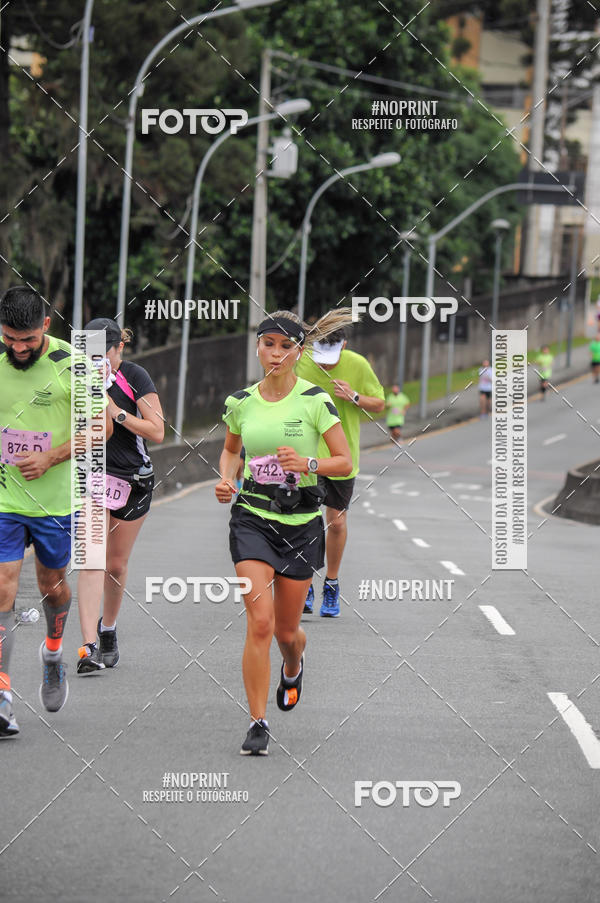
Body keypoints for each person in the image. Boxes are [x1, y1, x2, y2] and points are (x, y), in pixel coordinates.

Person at [215, 310, 352, 756]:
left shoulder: (315, 400)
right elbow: (231, 450)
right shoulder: (241, 402)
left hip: (301, 523)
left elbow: (343, 461)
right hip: (252, 517)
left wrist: (308, 464)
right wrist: (226, 479)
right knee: (260, 622)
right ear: (257, 347)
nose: (275, 353)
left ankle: (293, 666)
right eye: (267, 343)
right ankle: (258, 722)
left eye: (285, 346)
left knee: (286, 633)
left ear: (298, 352)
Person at [0, 286, 111, 737]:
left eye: (27, 339)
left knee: (51, 584)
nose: (18, 348)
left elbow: (101, 428)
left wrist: (51, 457)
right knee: (3, 585)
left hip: (55, 503)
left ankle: (52, 653)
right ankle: (3, 693)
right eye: (10, 338)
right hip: (5, 499)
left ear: (45, 326)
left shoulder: (73, 364)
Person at [76, 318, 164, 675]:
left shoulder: (134, 376)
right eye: (90, 354)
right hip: (92, 477)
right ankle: (88, 646)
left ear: (119, 349)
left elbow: (157, 431)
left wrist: (116, 411)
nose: (98, 361)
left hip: (132, 479)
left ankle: (107, 629)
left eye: (104, 355)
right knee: (91, 557)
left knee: (115, 564)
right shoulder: (75, 375)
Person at [295, 326, 385, 617]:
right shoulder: (301, 360)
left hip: (341, 456)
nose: (324, 362)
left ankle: (331, 583)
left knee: (336, 522)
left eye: (331, 356)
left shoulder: (358, 364)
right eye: (320, 354)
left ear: (344, 344)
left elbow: (380, 403)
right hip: (304, 454)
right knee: (304, 521)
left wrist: (355, 397)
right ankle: (304, 582)